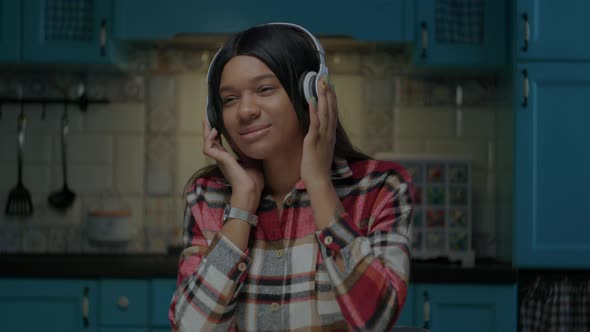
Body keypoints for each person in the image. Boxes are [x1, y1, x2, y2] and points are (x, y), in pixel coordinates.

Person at [169, 22, 414, 331]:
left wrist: (319, 184)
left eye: (264, 89)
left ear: (311, 93)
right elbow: (189, 328)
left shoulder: (380, 188)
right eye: (229, 99)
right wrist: (242, 207)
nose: (244, 111)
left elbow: (376, 320)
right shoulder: (207, 195)